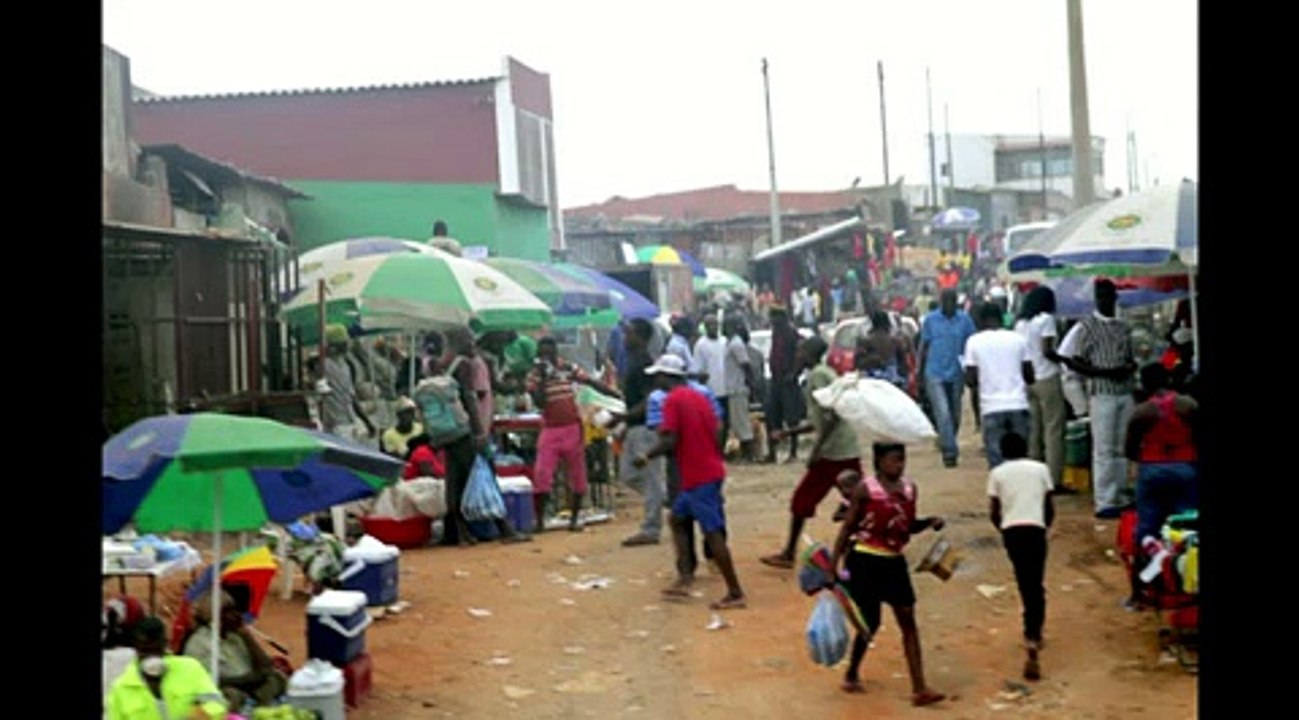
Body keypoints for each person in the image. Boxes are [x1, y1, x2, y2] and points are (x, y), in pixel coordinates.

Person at [832, 443, 946, 706]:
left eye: (902, 460)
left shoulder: (909, 489)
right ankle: (852, 671)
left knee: (907, 620)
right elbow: (847, 528)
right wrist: (833, 566)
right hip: (866, 560)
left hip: (894, 561)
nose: (900, 465)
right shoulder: (865, 490)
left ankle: (919, 687)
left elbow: (907, 526)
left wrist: (929, 522)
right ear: (880, 461)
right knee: (870, 622)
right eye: (895, 460)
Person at [635, 356, 747, 610]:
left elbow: (670, 440)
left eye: (658, 376)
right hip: (707, 470)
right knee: (677, 518)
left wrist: (646, 455)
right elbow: (715, 429)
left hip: (698, 476)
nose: (655, 380)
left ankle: (735, 591)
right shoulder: (699, 396)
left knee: (712, 531)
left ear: (667, 376)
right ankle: (685, 576)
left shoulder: (672, 400)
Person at [760, 337, 862, 569]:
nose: (797, 356)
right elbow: (822, 418)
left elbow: (830, 417)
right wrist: (789, 433)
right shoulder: (826, 372)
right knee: (860, 498)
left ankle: (788, 553)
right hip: (846, 446)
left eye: (800, 352)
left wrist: (817, 449)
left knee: (802, 500)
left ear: (809, 354)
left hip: (832, 451)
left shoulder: (816, 377)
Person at [432, 328, 528, 545]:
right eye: (468, 341)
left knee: (456, 480)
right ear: (459, 343)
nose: (472, 344)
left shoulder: (444, 365)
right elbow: (471, 399)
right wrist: (480, 432)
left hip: (450, 432)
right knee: (486, 475)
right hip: (468, 430)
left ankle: (456, 532)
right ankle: (504, 527)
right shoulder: (464, 365)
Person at [1058, 279, 1137, 519]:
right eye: (1100, 296)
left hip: (1124, 392)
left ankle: (1121, 495)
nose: (1104, 300)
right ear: (1096, 299)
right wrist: (1104, 372)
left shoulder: (1124, 327)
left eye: (1108, 296)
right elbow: (1074, 361)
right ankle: (1104, 500)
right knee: (1103, 449)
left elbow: (1131, 358)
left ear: (1114, 298)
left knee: (1122, 447)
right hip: (1101, 393)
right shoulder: (1086, 327)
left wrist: (1128, 368)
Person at [527, 337, 621, 532]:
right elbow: (539, 402)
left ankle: (575, 518)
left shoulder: (567, 368)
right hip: (551, 429)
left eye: (549, 353)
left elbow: (590, 382)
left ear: (555, 352)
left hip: (572, 428)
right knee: (542, 474)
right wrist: (544, 378)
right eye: (543, 353)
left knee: (578, 475)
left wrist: (613, 394)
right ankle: (539, 520)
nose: (547, 357)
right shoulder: (535, 375)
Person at [987, 432, 1055, 682]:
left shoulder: (997, 474)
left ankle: (1031, 631)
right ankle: (1033, 634)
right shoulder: (1040, 469)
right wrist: (1044, 526)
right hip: (1035, 529)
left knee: (1023, 579)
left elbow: (994, 511)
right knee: (1036, 583)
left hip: (1012, 531)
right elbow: (1049, 506)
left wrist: (1003, 529)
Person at [1125, 362, 1197, 562]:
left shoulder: (1142, 412)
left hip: (1152, 469)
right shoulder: (1188, 405)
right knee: (1187, 524)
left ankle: (1143, 583)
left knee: (1147, 528)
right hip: (1186, 468)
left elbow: (1130, 449)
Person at [106, 616, 228, 720]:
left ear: (165, 644)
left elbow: (218, 703)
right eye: (145, 651)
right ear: (136, 648)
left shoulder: (190, 668)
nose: (151, 657)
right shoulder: (121, 689)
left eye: (156, 651)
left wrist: (198, 715)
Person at [181, 591, 286, 710]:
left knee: (276, 679)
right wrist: (253, 678)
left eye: (235, 610)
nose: (236, 615)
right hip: (224, 690)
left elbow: (265, 665)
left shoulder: (235, 636)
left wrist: (247, 636)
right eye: (228, 612)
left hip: (249, 687)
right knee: (231, 695)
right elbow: (213, 681)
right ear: (213, 617)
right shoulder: (199, 644)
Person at [616, 318, 667, 547]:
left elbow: (649, 399)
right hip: (635, 427)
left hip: (646, 427)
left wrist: (625, 418)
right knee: (629, 475)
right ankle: (670, 500)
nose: (625, 338)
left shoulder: (644, 364)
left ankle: (651, 528)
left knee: (650, 478)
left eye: (629, 334)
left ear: (640, 337)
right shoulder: (635, 362)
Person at [964, 302, 1035, 468]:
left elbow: (970, 380)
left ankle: (1004, 490)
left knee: (997, 460)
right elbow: (1030, 375)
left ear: (981, 320)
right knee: (1021, 457)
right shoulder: (1018, 339)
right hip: (1018, 403)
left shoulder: (974, 342)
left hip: (991, 407)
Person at [1015, 286, 1068, 490]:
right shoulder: (1046, 320)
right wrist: (1064, 360)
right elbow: (1047, 350)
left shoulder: (1021, 323)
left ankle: (1033, 478)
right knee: (1054, 429)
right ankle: (1054, 479)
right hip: (1047, 376)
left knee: (1034, 430)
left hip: (1028, 379)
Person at [919, 290, 977, 468]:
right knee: (942, 412)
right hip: (934, 371)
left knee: (954, 413)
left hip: (956, 372)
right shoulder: (930, 320)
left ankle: (947, 438)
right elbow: (924, 347)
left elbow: (971, 344)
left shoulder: (965, 320)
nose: (948, 304)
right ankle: (950, 452)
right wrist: (919, 372)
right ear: (941, 301)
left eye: (952, 301)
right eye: (945, 301)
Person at [319, 324, 375, 442]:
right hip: (336, 425)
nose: (348, 345)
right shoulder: (325, 366)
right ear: (336, 345)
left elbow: (352, 398)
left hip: (348, 421)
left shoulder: (345, 366)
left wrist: (366, 422)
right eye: (344, 343)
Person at [766, 305, 804, 464]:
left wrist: (794, 373)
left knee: (791, 418)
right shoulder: (776, 333)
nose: (772, 320)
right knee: (771, 414)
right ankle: (772, 453)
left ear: (782, 317)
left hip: (787, 381)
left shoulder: (791, 333)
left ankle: (793, 452)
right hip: (775, 379)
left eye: (775, 316)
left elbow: (801, 353)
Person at [690, 314, 730, 447]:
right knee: (711, 421)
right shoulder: (700, 345)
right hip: (710, 390)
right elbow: (697, 369)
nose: (713, 327)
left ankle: (722, 448)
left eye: (715, 324)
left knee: (726, 421)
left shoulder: (725, 341)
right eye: (710, 325)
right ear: (705, 327)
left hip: (726, 388)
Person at [723, 315, 758, 462]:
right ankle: (745, 454)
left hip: (738, 388)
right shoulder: (730, 343)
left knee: (742, 423)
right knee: (738, 424)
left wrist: (752, 384)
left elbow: (746, 365)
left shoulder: (736, 344)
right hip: (732, 388)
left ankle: (749, 455)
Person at [855, 310, 907, 389]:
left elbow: (857, 364)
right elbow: (904, 365)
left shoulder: (866, 341)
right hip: (893, 384)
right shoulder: (895, 342)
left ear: (873, 324)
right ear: (887, 323)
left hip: (871, 384)